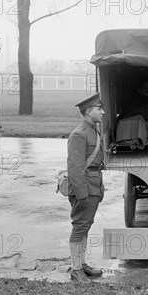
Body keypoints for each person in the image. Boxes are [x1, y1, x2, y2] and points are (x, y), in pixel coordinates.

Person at [66, 92, 105, 283]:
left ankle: (82, 264)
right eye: (99, 109)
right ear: (89, 112)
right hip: (84, 188)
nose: (103, 112)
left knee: (86, 226)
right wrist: (81, 194)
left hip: (93, 185)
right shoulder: (79, 134)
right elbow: (75, 168)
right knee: (80, 227)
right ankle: (75, 269)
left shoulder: (92, 130)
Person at [114, 81, 148, 148]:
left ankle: (137, 139)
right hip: (133, 117)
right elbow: (127, 111)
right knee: (130, 121)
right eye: (145, 88)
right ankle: (127, 139)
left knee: (147, 124)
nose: (147, 90)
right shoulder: (133, 101)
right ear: (140, 90)